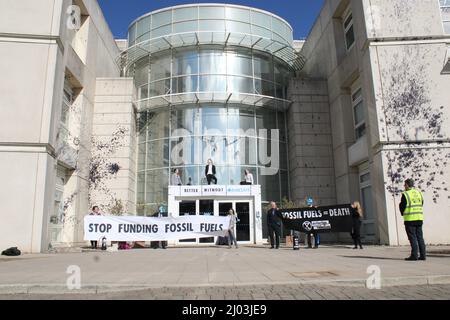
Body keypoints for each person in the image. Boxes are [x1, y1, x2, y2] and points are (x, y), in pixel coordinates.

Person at [400, 179, 426, 261]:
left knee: (412, 238)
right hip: (419, 218)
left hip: (410, 219)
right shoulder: (419, 193)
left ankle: (414, 255)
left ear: (407, 185)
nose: (404, 186)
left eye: (405, 185)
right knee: (420, 237)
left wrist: (402, 212)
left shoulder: (406, 194)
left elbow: (403, 206)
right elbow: (421, 203)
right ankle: (423, 255)